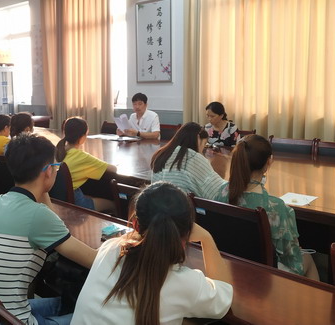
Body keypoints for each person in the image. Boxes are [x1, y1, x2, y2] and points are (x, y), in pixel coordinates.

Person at [0, 133, 97, 325]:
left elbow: (52, 221)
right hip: (12, 320)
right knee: (95, 316)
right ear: (48, 171)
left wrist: (42, 188)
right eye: (56, 167)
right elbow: (94, 260)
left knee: (68, 304)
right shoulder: (37, 215)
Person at [71, 182, 233, 325]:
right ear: (187, 233)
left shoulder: (110, 248)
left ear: (135, 224)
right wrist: (206, 238)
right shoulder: (186, 282)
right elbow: (224, 297)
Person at [214, 134, 319, 279]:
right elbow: (290, 257)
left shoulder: (221, 192)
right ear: (269, 162)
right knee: (308, 259)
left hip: (230, 264)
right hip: (264, 274)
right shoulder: (275, 206)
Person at [150, 122, 226, 200]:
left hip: (157, 204)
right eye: (204, 144)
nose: (202, 150)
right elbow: (217, 191)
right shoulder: (194, 158)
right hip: (181, 206)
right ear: (198, 139)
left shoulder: (160, 155)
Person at [57, 117, 117, 212]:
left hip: (60, 201)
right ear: (82, 138)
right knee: (113, 204)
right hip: (76, 201)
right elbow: (113, 169)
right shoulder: (82, 157)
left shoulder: (58, 151)